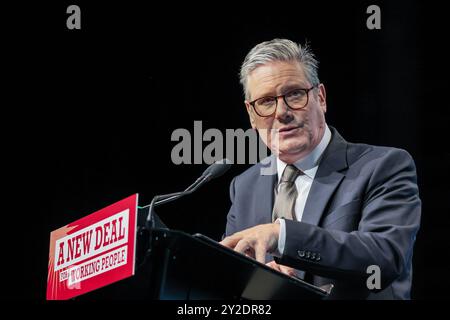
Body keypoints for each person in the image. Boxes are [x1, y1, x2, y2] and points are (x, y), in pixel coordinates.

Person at [220, 39, 421, 299]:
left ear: (321, 97)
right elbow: (232, 284)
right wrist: (263, 288)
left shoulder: (383, 166)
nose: (282, 112)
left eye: (294, 94)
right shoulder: (245, 186)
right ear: (251, 114)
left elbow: (384, 257)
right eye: (267, 101)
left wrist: (282, 235)